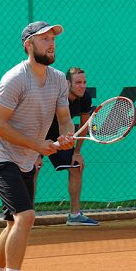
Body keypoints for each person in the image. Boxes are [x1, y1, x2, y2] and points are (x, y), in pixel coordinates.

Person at [0, 21, 75, 271]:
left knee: (13, 223)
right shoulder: (15, 79)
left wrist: (66, 135)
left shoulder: (58, 79)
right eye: (44, 39)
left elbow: (65, 119)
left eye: (53, 38)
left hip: (26, 160)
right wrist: (37, 144)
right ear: (28, 45)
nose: (51, 43)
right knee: (26, 217)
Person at [34, 67, 99, 226]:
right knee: (32, 169)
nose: (82, 86)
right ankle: (26, 216)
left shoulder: (85, 98)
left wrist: (77, 152)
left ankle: (75, 215)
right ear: (67, 83)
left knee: (76, 166)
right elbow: (36, 122)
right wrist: (35, 154)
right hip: (38, 135)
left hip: (62, 136)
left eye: (84, 82)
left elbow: (84, 127)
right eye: (78, 82)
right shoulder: (54, 97)